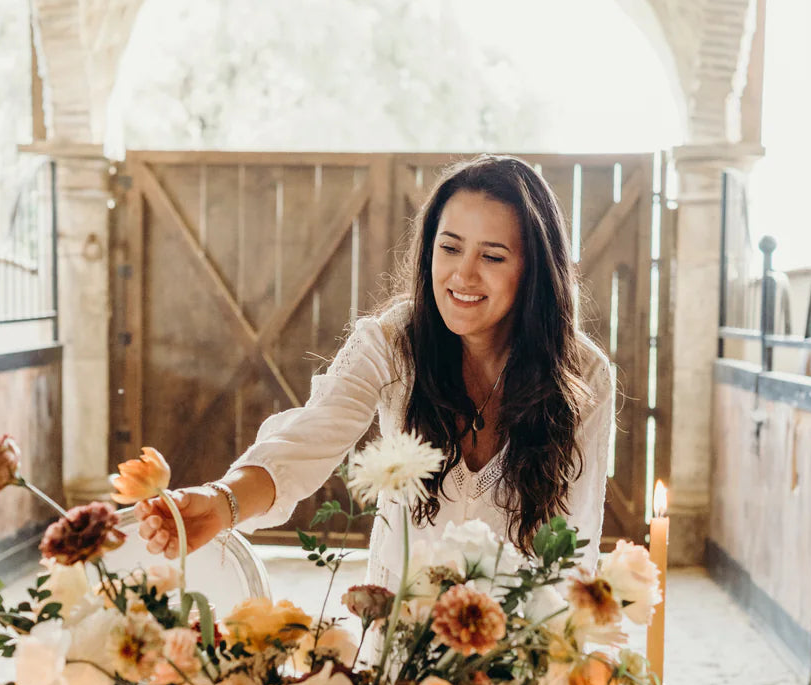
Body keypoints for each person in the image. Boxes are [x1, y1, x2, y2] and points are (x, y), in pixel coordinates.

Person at [137, 154, 613, 589]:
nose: (463, 276)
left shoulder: (585, 375)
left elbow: (575, 541)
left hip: (517, 648)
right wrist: (223, 502)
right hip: (397, 639)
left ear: (533, 269)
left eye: (492, 256)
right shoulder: (391, 342)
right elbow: (308, 439)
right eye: (449, 248)